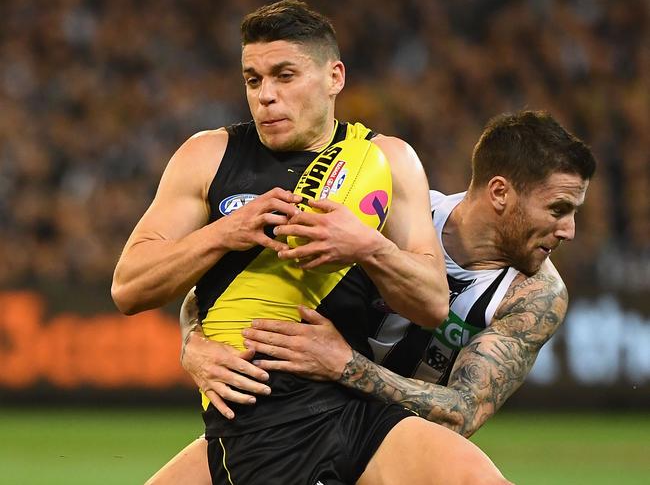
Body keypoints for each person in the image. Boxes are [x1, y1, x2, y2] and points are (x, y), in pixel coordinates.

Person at [112, 0, 511, 484]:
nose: (266, 96)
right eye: (253, 79)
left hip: (357, 405)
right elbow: (129, 287)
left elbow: (431, 302)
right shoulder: (208, 155)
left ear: (334, 77)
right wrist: (225, 233)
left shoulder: (386, 159)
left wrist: (367, 246)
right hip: (265, 422)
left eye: (285, 75)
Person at [145, 110, 596, 484]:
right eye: (558, 209)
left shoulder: (536, 295)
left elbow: (461, 413)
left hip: (392, 441)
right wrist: (193, 344)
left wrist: (346, 365)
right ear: (500, 192)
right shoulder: (392, 212)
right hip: (300, 413)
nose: (569, 231)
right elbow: (233, 286)